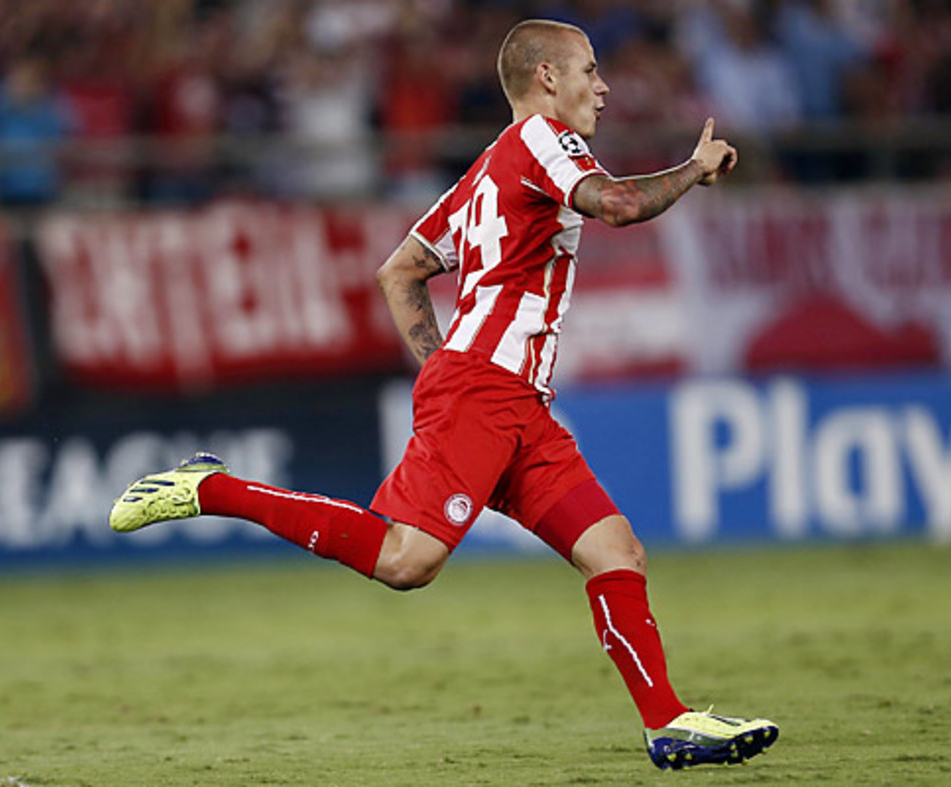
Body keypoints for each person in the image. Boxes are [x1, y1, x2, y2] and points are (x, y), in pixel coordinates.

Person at [110, 19, 777, 771]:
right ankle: (213, 488)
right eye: (590, 70)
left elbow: (399, 271)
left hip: (513, 402)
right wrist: (693, 168)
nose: (604, 85)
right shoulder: (543, 142)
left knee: (615, 549)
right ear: (546, 79)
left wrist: (437, 365)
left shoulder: (488, 167)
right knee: (406, 560)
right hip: (485, 394)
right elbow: (617, 205)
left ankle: (669, 721)